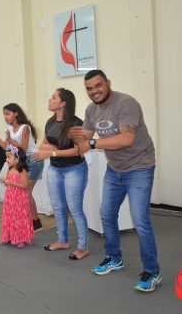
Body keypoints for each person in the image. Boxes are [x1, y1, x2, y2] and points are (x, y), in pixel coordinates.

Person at [70, 69, 161, 292]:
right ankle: (114, 258)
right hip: (115, 168)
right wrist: (75, 136)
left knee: (140, 221)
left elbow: (127, 139)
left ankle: (152, 271)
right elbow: (86, 138)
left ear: (108, 83)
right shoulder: (91, 109)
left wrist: (90, 144)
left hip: (140, 166)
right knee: (107, 215)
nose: (94, 91)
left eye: (98, 86)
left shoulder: (126, 103)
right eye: (89, 88)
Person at [34, 88, 89, 260]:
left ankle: (83, 247)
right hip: (55, 169)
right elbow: (43, 144)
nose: (49, 100)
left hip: (74, 169)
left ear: (63, 103)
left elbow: (79, 151)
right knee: (58, 207)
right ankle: (63, 241)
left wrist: (53, 152)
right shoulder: (50, 122)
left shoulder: (76, 123)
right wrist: (53, 150)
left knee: (75, 209)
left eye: (53, 97)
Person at [0, 103, 44, 231]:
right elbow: (6, 148)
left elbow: (24, 149)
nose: (5, 117)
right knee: (22, 193)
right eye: (4, 114)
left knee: (26, 192)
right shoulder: (10, 129)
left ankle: (36, 221)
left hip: (32, 160)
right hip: (19, 162)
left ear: (16, 113)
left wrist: (10, 140)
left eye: (7, 114)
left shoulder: (25, 128)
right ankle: (28, 220)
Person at [0, 145, 34, 249]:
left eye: (9, 157)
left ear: (17, 159)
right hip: (10, 197)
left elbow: (26, 186)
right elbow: (8, 182)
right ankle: (8, 236)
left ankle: (21, 238)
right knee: (9, 216)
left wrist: (11, 182)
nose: (6, 159)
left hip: (19, 199)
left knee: (19, 218)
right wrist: (5, 181)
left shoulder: (21, 170)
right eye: (6, 157)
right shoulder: (9, 170)